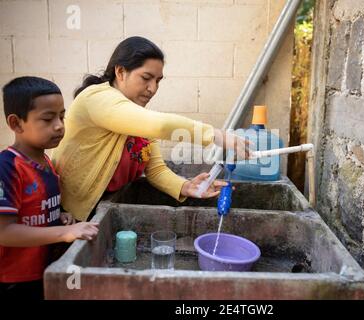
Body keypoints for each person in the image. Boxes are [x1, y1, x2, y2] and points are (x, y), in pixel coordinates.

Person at [52, 36, 250, 222]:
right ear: (120, 72)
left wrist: (186, 186)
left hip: (101, 209)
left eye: (158, 81)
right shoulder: (96, 99)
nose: (153, 88)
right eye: (146, 78)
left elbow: (155, 169)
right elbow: (162, 125)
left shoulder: (136, 117)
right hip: (68, 213)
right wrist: (217, 136)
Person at [0, 76, 99, 299]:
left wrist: (58, 216)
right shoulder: (7, 167)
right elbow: (4, 232)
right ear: (16, 123)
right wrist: (64, 232)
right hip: (13, 279)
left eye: (62, 116)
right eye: (47, 119)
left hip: (43, 270)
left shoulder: (47, 163)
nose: (59, 126)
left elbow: (33, 210)